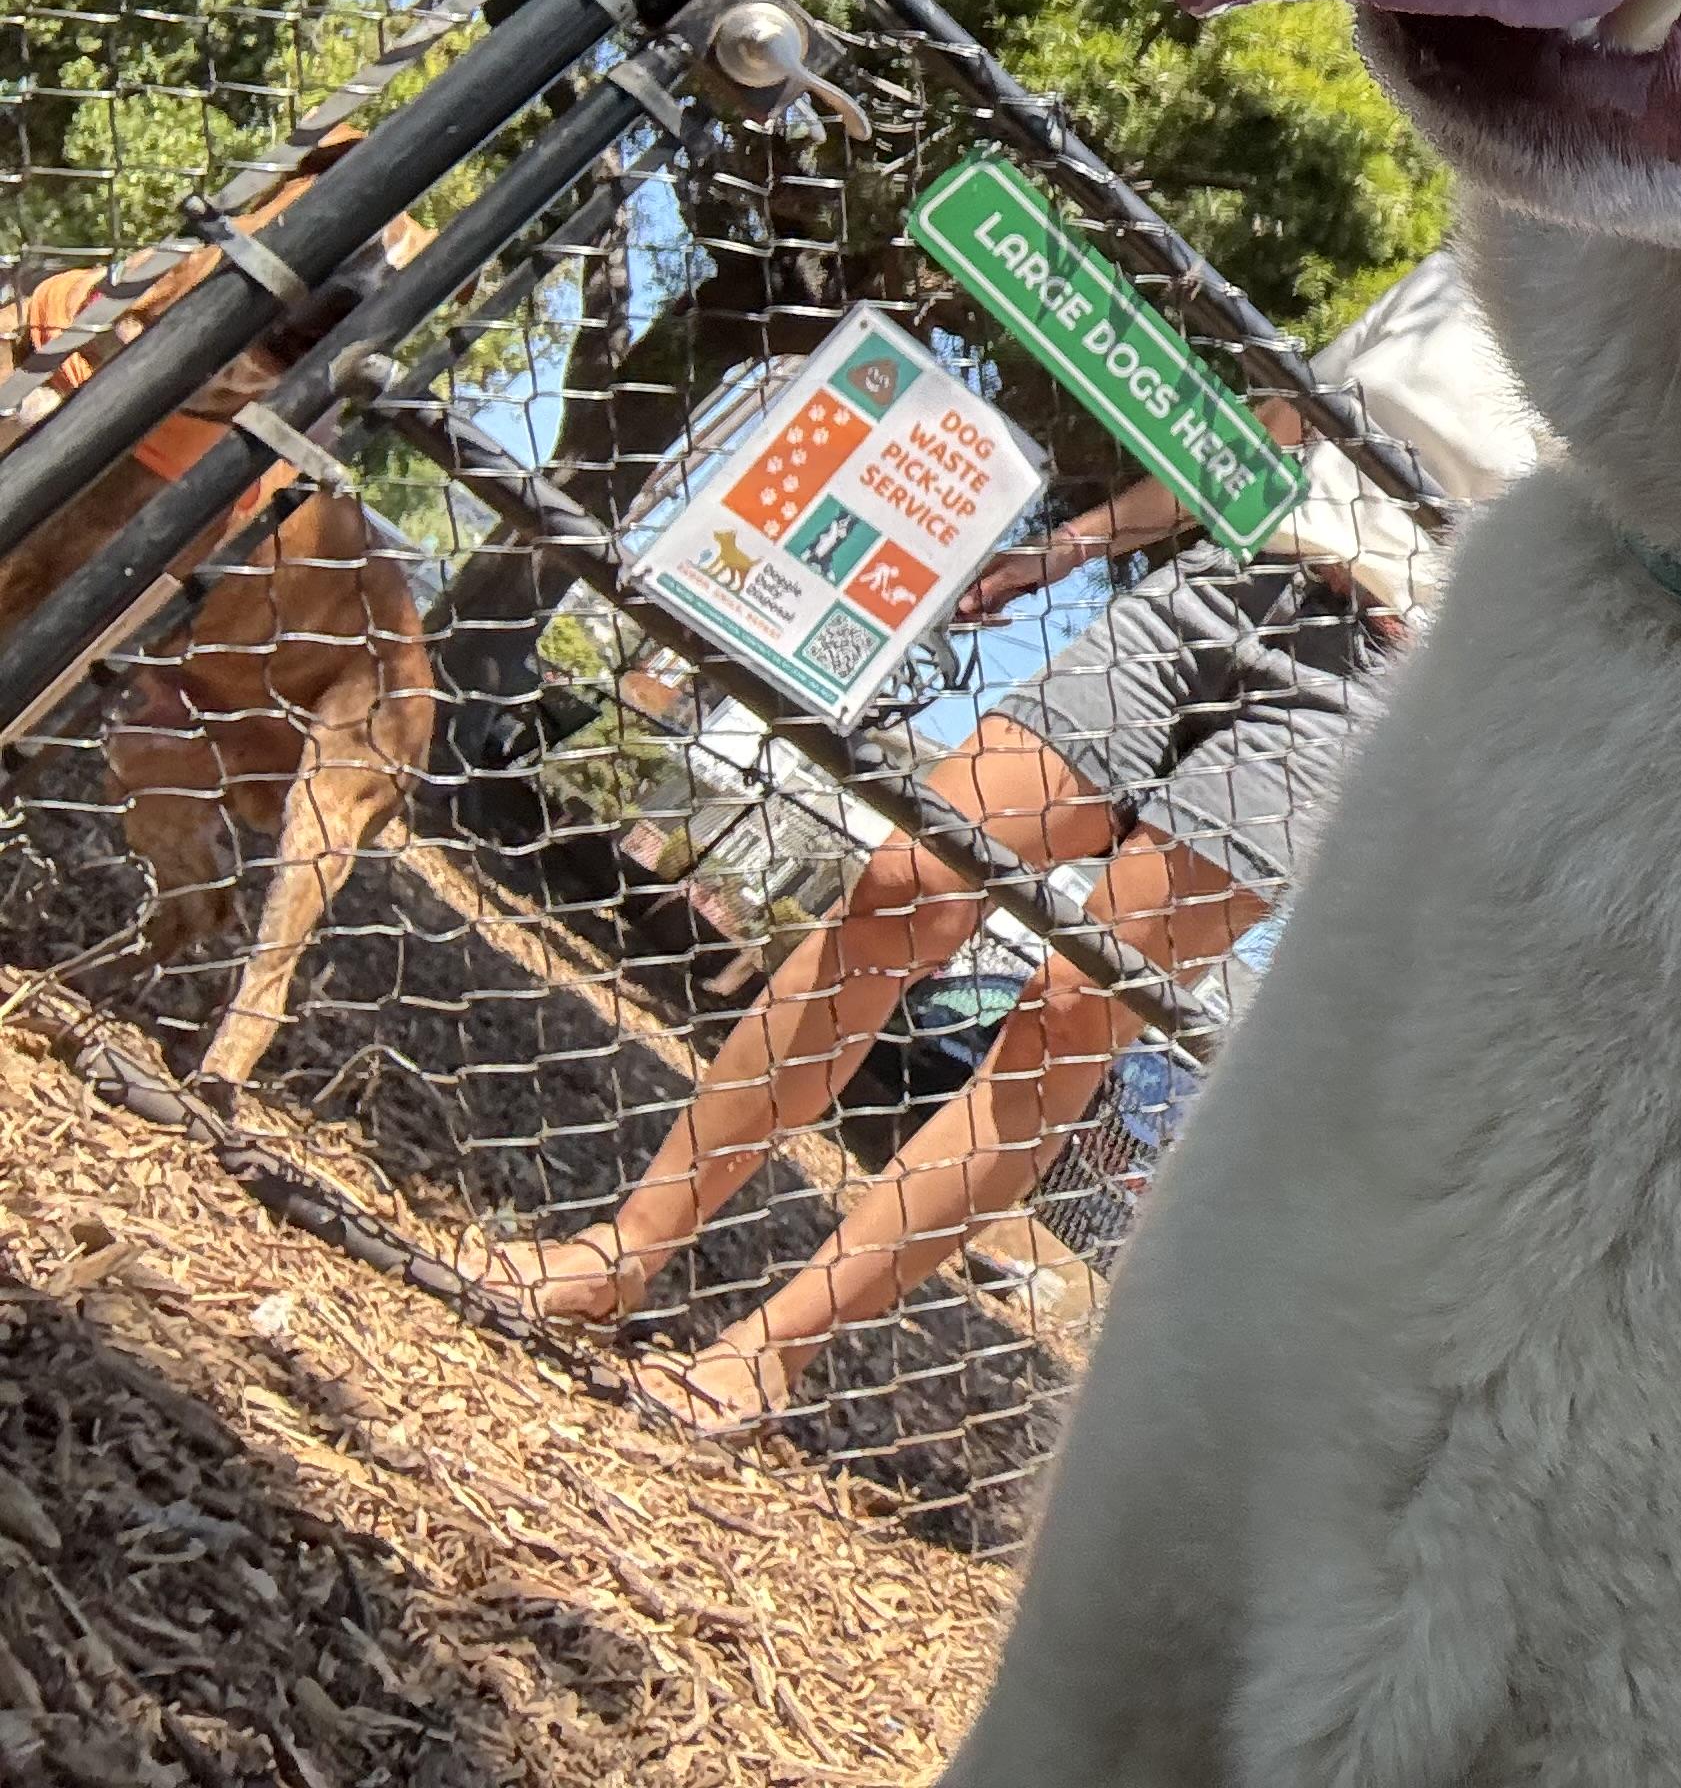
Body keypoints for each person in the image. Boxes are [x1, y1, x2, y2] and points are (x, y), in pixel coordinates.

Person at [472, 251, 1536, 1428]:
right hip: (1231, 584)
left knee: (1075, 1009)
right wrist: (1071, 545)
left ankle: (767, 1352)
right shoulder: (1460, 254)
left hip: (1379, 680)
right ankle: (625, 1250)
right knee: (908, 875)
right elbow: (1273, 433)